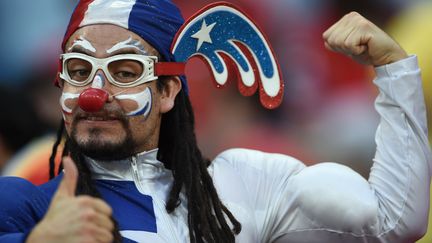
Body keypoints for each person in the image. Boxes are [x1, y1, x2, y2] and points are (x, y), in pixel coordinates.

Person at [0, 0, 430, 242]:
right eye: (78, 72)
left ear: (168, 91)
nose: (95, 96)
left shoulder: (243, 189)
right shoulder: (22, 205)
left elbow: (392, 223)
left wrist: (394, 71)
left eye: (125, 72)